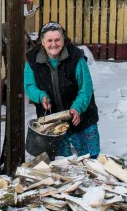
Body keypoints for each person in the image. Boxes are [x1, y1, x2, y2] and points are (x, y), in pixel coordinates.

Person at [23, 22, 100, 156]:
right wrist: (41, 96)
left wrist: (77, 108)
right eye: (49, 40)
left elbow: (86, 88)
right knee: (61, 162)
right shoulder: (32, 60)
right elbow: (29, 86)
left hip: (81, 117)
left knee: (89, 158)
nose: (54, 44)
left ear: (63, 40)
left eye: (57, 40)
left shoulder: (76, 58)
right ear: (42, 41)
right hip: (52, 120)